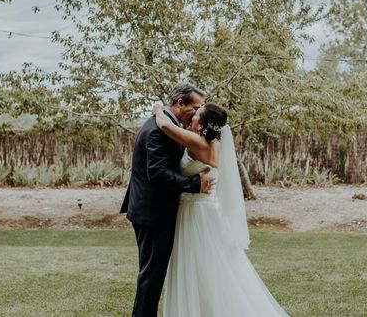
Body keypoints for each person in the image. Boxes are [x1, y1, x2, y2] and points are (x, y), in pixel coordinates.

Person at [152, 101, 289, 317]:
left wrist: (158, 109)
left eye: (197, 114)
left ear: (201, 125)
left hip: (194, 213)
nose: (194, 115)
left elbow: (166, 127)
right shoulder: (215, 144)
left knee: (196, 269)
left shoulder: (198, 143)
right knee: (212, 268)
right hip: (206, 210)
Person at [120, 83, 216, 317]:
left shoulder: (167, 125)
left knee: (154, 273)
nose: (197, 111)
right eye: (195, 106)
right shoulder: (158, 130)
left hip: (156, 210)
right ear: (180, 103)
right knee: (152, 275)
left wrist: (159, 109)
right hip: (153, 213)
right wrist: (196, 184)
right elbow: (159, 174)